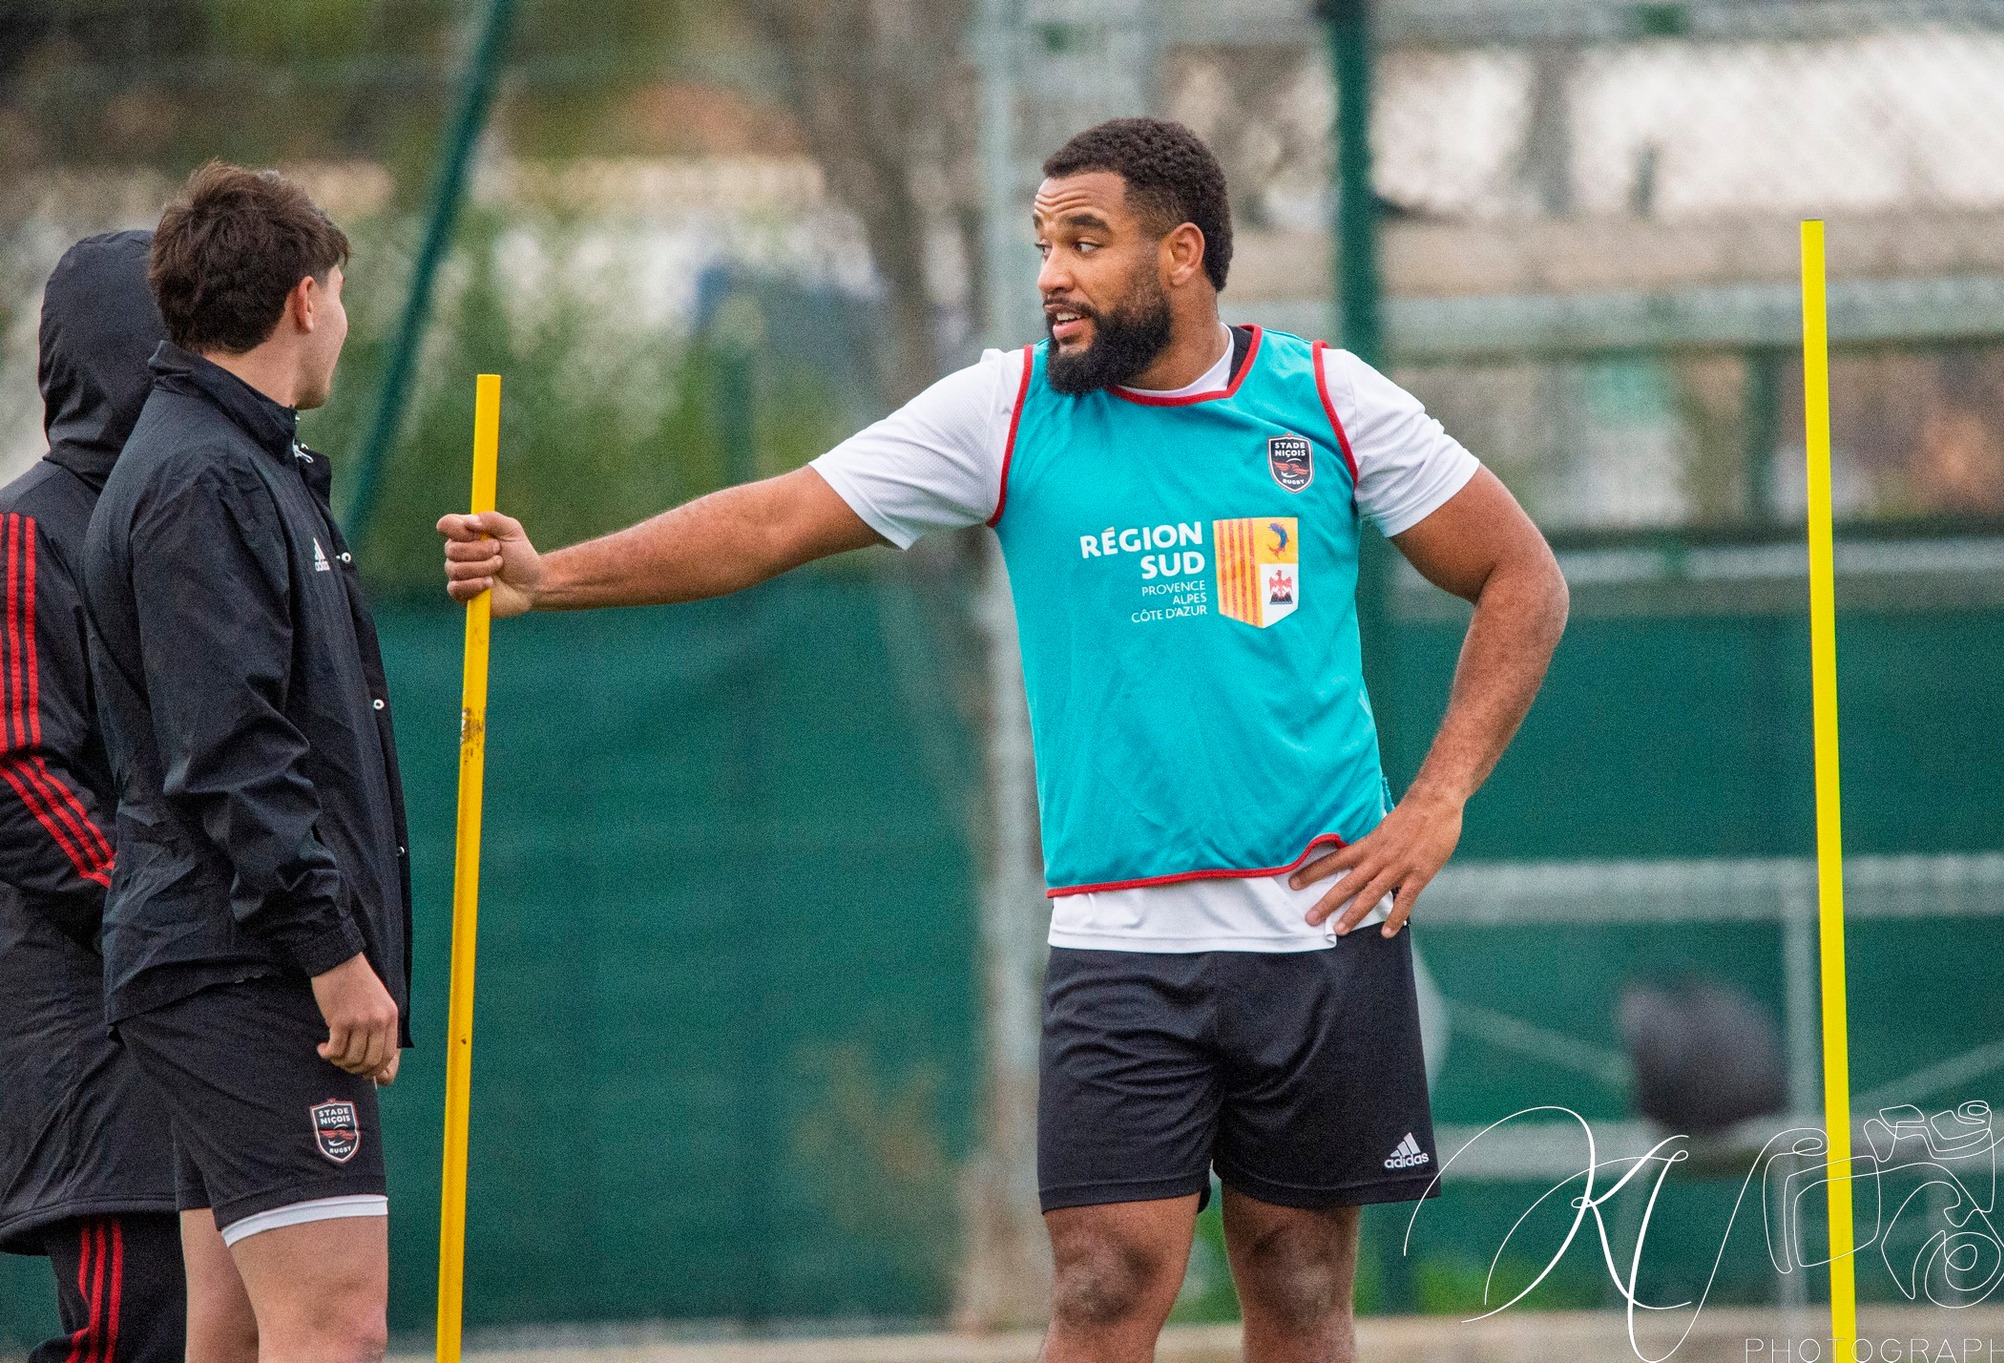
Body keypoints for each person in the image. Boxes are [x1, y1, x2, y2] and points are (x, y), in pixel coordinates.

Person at [440, 118, 1568, 1363]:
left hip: (1317, 928)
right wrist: (553, 577)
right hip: (1117, 939)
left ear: (1181, 254)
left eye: (1085, 242)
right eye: (1043, 243)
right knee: (1098, 1280)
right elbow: (772, 520)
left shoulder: (1329, 401)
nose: (1051, 275)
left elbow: (1520, 576)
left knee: (1298, 1285)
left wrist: (1437, 798)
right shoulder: (1006, 408)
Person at [81, 163, 413, 1363]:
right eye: (340, 293)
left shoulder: (238, 463)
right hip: (245, 970)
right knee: (334, 1324)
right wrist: (331, 954)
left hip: (221, 962)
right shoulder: (205, 477)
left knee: (225, 1331)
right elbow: (230, 756)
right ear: (304, 299)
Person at [0, 232, 187, 1363]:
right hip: (94, 1027)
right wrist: (166, 915)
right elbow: (20, 771)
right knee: (128, 1333)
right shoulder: (31, 531)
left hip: (193, 1016)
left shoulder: (186, 516)